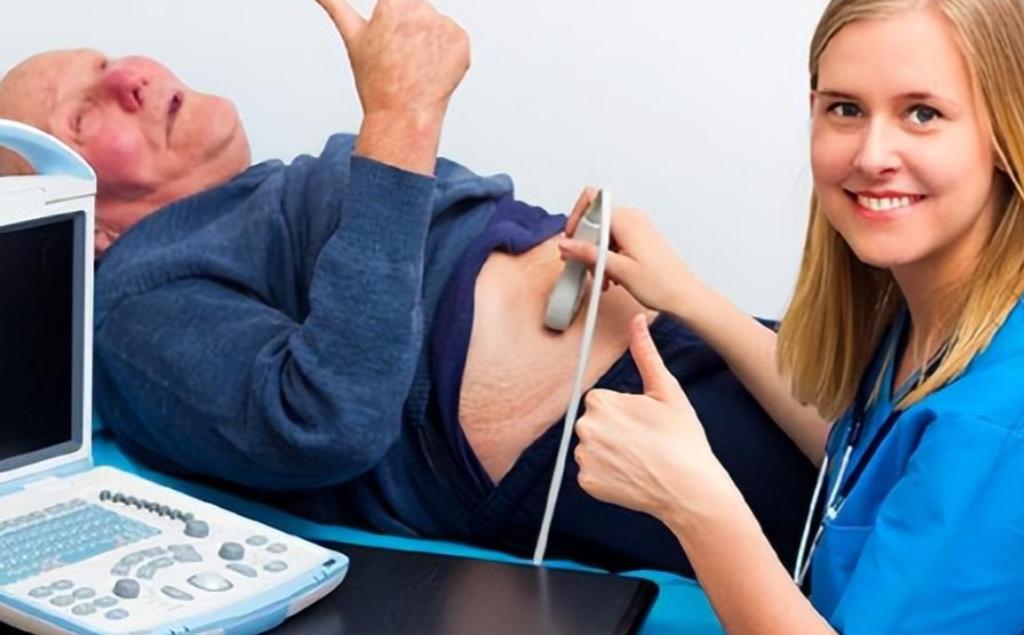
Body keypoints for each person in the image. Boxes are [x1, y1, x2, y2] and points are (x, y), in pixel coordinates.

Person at [0, 0, 816, 576]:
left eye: (104, 61)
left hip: (702, 344)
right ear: (85, 224)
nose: (131, 76)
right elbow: (323, 421)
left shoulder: (257, 199)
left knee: (901, 431)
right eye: (81, 116)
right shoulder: (131, 307)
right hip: (627, 431)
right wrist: (400, 119)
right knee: (885, 536)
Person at [566, 0, 1024, 632]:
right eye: (846, 109)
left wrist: (694, 502)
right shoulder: (940, 315)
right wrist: (688, 298)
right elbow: (874, 455)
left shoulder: (996, 419)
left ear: (1007, 127)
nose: (872, 156)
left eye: (922, 114)